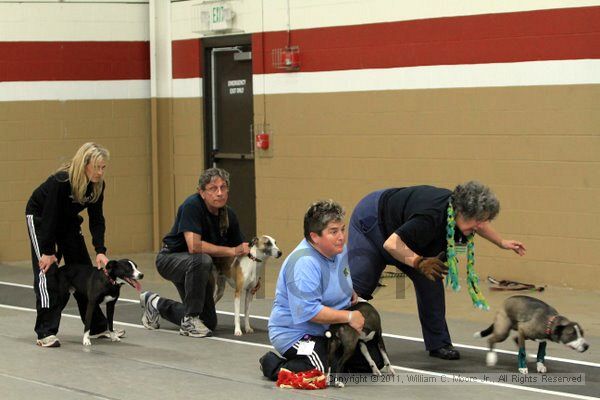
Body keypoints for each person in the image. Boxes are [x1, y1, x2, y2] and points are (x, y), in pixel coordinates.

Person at [348, 181, 526, 360]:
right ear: (461, 212)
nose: (480, 226)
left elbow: (479, 223)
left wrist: (501, 242)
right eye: (478, 221)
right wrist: (419, 262)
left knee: (431, 280)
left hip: (405, 232)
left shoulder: (460, 211)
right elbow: (391, 244)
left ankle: (439, 343)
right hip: (373, 222)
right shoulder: (431, 216)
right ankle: (339, 335)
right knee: (360, 286)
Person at [259, 200, 382, 381]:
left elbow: (341, 277)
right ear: (315, 237)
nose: (341, 236)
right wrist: (349, 317)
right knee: (321, 370)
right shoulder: (303, 263)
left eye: (342, 229)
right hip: (297, 334)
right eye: (333, 231)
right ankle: (272, 364)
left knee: (372, 363)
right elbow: (309, 312)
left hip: (331, 329)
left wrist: (349, 292)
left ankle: (329, 355)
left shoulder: (339, 250)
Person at [25, 142, 121, 347]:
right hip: (41, 218)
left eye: (103, 167)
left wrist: (100, 250)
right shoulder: (61, 181)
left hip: (67, 221)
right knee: (48, 273)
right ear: (84, 164)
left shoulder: (98, 185)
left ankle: (95, 326)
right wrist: (48, 252)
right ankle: (45, 332)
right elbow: (50, 217)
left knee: (85, 273)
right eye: (96, 167)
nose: (100, 172)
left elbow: (97, 219)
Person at [140, 167, 249, 338]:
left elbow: (243, 248)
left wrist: (253, 277)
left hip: (198, 269)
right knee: (202, 259)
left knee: (208, 322)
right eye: (213, 189)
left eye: (223, 187)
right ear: (202, 192)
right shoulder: (192, 206)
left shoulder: (229, 215)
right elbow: (194, 246)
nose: (220, 193)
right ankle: (190, 320)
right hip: (170, 260)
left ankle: (154, 303)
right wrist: (231, 250)